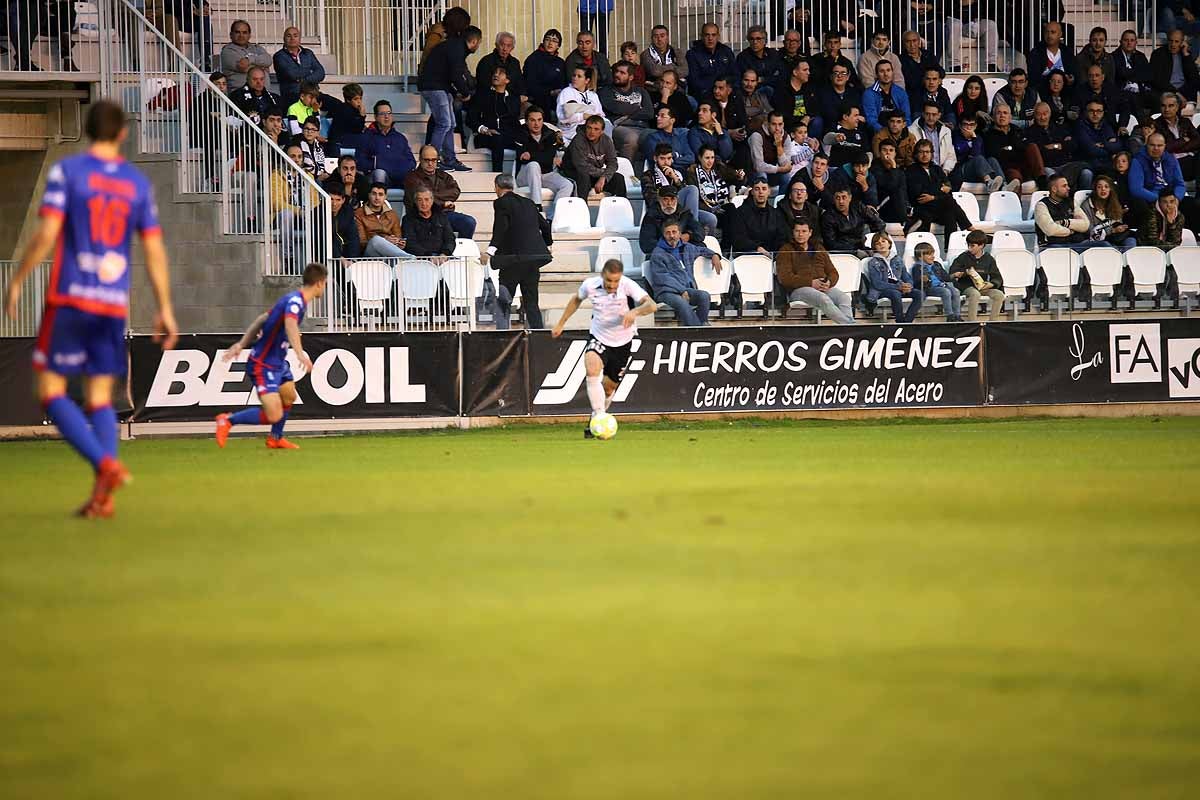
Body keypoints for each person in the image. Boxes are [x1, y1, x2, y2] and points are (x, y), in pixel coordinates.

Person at [2, 100, 177, 517]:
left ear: (86, 130)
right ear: (122, 134)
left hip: (69, 299)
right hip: (111, 306)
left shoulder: (69, 172)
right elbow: (153, 249)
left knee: (51, 391)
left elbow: (46, 233)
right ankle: (104, 497)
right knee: (100, 398)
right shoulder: (136, 184)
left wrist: (17, 280)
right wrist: (164, 307)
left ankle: (105, 465)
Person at [215, 262, 326, 452]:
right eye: (325, 283)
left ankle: (276, 438)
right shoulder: (296, 302)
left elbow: (262, 319)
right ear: (319, 283)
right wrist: (300, 354)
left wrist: (241, 344)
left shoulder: (294, 300)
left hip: (278, 362)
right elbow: (291, 324)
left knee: (289, 396)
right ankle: (227, 420)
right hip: (263, 364)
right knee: (273, 414)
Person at [552, 259, 658, 437]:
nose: (612, 285)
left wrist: (635, 312)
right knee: (592, 368)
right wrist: (561, 323)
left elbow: (652, 305)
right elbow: (576, 300)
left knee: (609, 388)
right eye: (609, 281)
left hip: (623, 342)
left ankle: (595, 418)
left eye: (616, 281)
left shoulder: (628, 286)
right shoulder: (590, 285)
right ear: (603, 276)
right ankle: (600, 416)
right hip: (599, 336)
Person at [482, 174, 554, 329]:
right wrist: (547, 243)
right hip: (533, 259)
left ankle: (503, 337)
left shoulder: (501, 203)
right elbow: (545, 226)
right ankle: (538, 337)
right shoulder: (529, 203)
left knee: (504, 301)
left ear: (497, 187)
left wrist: (490, 251)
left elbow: (501, 227)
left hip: (512, 260)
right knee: (532, 304)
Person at [419, 25, 483, 172]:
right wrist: (465, 93)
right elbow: (456, 75)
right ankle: (433, 160)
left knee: (451, 123)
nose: (478, 46)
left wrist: (456, 92)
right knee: (444, 123)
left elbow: (449, 73)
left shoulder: (454, 46)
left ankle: (450, 159)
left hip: (439, 86)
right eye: (479, 42)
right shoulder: (457, 50)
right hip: (434, 87)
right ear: (474, 41)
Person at [646, 218, 722, 326]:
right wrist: (681, 290)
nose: (671, 236)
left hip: (687, 289)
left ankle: (702, 325)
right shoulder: (658, 253)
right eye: (668, 233)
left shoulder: (687, 248)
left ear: (680, 233)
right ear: (663, 235)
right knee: (683, 304)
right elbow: (662, 278)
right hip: (666, 291)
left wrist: (714, 255)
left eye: (674, 232)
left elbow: (702, 250)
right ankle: (696, 331)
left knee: (704, 296)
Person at [776, 221, 855, 323]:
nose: (800, 234)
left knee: (844, 298)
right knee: (823, 298)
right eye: (797, 231)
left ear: (810, 232)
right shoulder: (786, 250)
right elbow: (785, 278)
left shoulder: (819, 248)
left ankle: (848, 326)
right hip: (798, 290)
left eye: (804, 231)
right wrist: (810, 282)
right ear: (793, 232)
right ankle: (850, 327)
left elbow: (833, 272)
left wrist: (829, 282)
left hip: (822, 287)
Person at [907, 140, 974, 247]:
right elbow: (919, 193)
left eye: (928, 152)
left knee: (950, 212)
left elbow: (949, 190)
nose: (925, 155)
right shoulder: (911, 171)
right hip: (923, 208)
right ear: (916, 154)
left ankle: (950, 248)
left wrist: (933, 197)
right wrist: (940, 189)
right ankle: (970, 229)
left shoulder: (937, 169)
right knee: (949, 203)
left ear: (932, 154)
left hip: (938, 206)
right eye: (921, 152)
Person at [404, 145, 477, 240]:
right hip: (421, 217)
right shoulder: (412, 178)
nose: (430, 163)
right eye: (427, 160)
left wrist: (433, 196)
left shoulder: (444, 175)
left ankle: (460, 252)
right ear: (420, 159)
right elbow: (421, 199)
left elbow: (455, 191)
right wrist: (443, 203)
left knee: (468, 222)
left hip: (444, 215)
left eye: (433, 160)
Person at [515, 107, 574, 217]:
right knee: (533, 165)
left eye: (539, 120)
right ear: (527, 121)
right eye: (532, 120)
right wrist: (545, 158)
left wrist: (532, 155)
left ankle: (553, 217)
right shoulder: (520, 133)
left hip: (546, 173)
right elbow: (522, 157)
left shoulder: (550, 134)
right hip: (525, 175)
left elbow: (549, 156)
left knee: (567, 185)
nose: (536, 124)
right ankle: (537, 206)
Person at [1129, 132, 1196, 231]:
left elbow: (1180, 184)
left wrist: (1176, 200)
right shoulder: (1138, 160)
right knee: (1140, 205)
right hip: (1150, 197)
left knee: (1193, 204)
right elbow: (1136, 189)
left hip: (1170, 196)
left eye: (1159, 145)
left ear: (1164, 146)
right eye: (1152, 145)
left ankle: (1192, 237)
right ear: (1147, 145)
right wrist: (1160, 200)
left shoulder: (1171, 159)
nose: (1156, 148)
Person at [642, 143, 716, 232]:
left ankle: (702, 238)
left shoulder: (677, 173)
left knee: (711, 219)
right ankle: (693, 228)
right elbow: (651, 199)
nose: (666, 162)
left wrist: (676, 180)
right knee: (692, 189)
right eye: (662, 158)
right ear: (655, 158)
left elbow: (687, 197)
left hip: (680, 209)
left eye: (669, 158)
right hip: (663, 208)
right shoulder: (648, 176)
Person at [600, 60, 655, 171]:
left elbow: (649, 113)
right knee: (632, 138)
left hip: (642, 127)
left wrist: (628, 113)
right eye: (616, 72)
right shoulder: (606, 91)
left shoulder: (641, 91)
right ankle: (625, 174)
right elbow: (614, 108)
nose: (617, 75)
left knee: (656, 136)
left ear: (630, 77)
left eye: (622, 73)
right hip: (619, 127)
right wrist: (637, 109)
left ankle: (652, 175)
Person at [468, 65, 523, 172]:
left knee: (523, 140)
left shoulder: (513, 99)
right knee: (497, 138)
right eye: (495, 73)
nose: (496, 75)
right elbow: (471, 118)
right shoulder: (482, 95)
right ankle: (498, 175)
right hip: (486, 135)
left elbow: (515, 121)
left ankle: (518, 177)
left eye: (500, 73)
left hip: (507, 135)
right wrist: (484, 129)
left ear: (507, 80)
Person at [1026, 101, 1092, 189]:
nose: (1042, 117)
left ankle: (1082, 200)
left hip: (1067, 166)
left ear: (1050, 114)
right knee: (1050, 175)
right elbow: (1041, 153)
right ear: (1034, 115)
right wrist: (1060, 146)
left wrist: (1053, 147)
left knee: (1087, 173)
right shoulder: (1029, 132)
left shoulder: (1060, 128)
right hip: (1048, 167)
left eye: (1045, 114)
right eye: (1039, 114)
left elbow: (1073, 145)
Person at [865, 232, 924, 322]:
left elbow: (906, 276)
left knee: (920, 294)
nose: (881, 244)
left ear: (889, 243)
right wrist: (898, 287)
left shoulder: (898, 259)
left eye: (883, 241)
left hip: (899, 287)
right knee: (895, 294)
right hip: (883, 290)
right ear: (874, 247)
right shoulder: (873, 262)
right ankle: (899, 321)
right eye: (877, 243)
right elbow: (877, 284)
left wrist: (909, 285)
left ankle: (907, 322)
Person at [356, 100, 417, 188]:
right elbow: (361, 162)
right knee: (379, 173)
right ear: (376, 117)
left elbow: (411, 162)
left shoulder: (400, 138)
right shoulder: (367, 136)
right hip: (379, 180)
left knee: (415, 177)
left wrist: (394, 168)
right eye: (382, 114)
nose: (386, 116)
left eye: (389, 113)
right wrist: (381, 164)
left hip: (400, 178)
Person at [562, 115, 626, 198]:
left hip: (594, 173)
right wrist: (602, 173)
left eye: (596, 129)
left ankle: (620, 207)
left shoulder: (606, 141)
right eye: (589, 128)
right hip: (574, 173)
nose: (592, 132)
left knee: (618, 178)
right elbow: (581, 166)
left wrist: (604, 177)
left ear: (602, 131)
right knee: (584, 176)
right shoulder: (578, 140)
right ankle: (582, 207)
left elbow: (613, 163)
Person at [985, 104, 1044, 192]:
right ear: (993, 117)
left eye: (1005, 113)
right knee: (1015, 178)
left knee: (1032, 146)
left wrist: (1009, 149)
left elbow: (1025, 147)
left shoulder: (1017, 130)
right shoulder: (988, 135)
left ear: (1010, 117)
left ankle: (1042, 180)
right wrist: (1014, 149)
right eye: (999, 113)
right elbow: (995, 155)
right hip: (1007, 169)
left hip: (1023, 165)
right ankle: (1016, 205)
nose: (1002, 116)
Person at [726, 175, 791, 254]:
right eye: (757, 189)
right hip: (748, 256)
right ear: (752, 192)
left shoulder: (776, 213)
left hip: (772, 256)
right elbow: (738, 239)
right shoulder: (740, 212)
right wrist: (757, 248)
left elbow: (782, 237)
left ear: (769, 192)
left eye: (764, 189)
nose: (761, 192)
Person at [948, 230, 1004, 321]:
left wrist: (991, 284)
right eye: (968, 245)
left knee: (999, 295)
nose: (970, 248)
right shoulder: (963, 257)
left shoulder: (989, 259)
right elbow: (952, 272)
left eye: (972, 246)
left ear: (981, 245)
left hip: (982, 287)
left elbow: (997, 277)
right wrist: (962, 273)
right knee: (975, 294)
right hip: (966, 287)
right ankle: (972, 322)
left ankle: (993, 322)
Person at [686, 145, 744, 233]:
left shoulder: (718, 168)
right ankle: (727, 244)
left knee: (731, 209)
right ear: (700, 158)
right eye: (707, 158)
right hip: (706, 209)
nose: (710, 161)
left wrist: (740, 176)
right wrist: (712, 209)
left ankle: (728, 244)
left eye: (712, 157)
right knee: (728, 215)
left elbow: (735, 179)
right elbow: (694, 199)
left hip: (721, 207)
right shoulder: (693, 173)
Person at [639, 185, 707, 255]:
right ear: (659, 200)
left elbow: (700, 233)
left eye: (672, 199)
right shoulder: (651, 216)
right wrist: (670, 243)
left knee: (701, 246)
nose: (669, 203)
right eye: (665, 199)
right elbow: (646, 245)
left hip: (681, 250)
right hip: (662, 254)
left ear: (677, 199)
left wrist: (689, 235)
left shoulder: (684, 213)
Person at [821, 186, 885, 255]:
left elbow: (879, 224)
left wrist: (873, 242)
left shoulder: (859, 207)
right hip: (842, 252)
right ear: (834, 199)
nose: (841, 201)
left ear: (850, 198)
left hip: (863, 246)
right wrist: (854, 251)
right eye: (837, 198)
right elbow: (831, 244)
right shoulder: (828, 216)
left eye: (844, 197)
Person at [1035, 174, 1092, 250]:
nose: (1068, 188)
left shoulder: (1071, 202)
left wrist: (1064, 223)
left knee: (1104, 245)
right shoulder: (1041, 205)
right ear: (1054, 189)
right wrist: (1070, 231)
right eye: (1064, 186)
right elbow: (1050, 230)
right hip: (1054, 245)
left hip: (1078, 244)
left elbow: (1085, 224)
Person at [950, 115, 1005, 191]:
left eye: (971, 125)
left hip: (976, 171)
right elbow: (971, 155)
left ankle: (1004, 186)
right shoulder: (955, 137)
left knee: (992, 160)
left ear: (975, 126)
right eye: (965, 124)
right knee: (978, 158)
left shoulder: (979, 138)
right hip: (961, 170)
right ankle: (989, 182)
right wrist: (974, 139)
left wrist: (974, 139)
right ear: (960, 126)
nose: (968, 128)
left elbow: (980, 156)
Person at [1154, 92, 1200, 181]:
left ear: (1177, 107)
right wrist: (1183, 140)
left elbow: (1197, 141)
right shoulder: (1156, 125)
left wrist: (1178, 148)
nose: (1166, 109)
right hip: (1171, 163)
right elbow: (1164, 148)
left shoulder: (1185, 122)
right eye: (1163, 106)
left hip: (1190, 160)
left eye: (1171, 106)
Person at [273, 26, 325, 105]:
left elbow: (321, 73)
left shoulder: (308, 53)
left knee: (335, 104)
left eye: (295, 36)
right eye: (289, 36)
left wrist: (303, 80)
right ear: (284, 39)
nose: (292, 38)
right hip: (292, 94)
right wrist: (310, 72)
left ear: (300, 38)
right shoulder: (279, 56)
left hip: (313, 93)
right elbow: (292, 74)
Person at [525, 29, 569, 122]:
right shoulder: (533, 59)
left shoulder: (560, 62)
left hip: (557, 98)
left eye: (554, 41)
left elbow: (564, 82)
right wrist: (550, 92)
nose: (550, 43)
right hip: (539, 98)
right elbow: (530, 85)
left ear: (558, 45)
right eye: (548, 39)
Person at [1080, 175, 1135, 250]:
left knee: (1131, 241)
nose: (1103, 189)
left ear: (1110, 190)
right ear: (1095, 190)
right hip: (1094, 240)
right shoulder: (1086, 206)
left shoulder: (1114, 203)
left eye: (1106, 187)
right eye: (1099, 187)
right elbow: (1090, 231)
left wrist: (1120, 228)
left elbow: (1118, 221)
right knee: (1107, 245)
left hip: (1113, 238)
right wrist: (1112, 230)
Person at [401, 187, 457, 261]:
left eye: (426, 199)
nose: (423, 203)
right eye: (420, 200)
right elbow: (410, 243)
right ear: (415, 202)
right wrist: (428, 256)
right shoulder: (408, 219)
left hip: (443, 257)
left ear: (432, 201)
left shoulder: (441, 217)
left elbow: (450, 239)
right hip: (420, 259)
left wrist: (445, 254)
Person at [946, 0, 1001, 73]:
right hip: (956, 24)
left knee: (991, 24)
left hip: (973, 25)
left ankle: (991, 64)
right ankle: (954, 65)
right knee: (955, 25)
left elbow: (987, 13)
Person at [687, 23, 738, 101]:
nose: (710, 38)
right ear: (702, 36)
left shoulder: (726, 51)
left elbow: (735, 75)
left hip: (726, 93)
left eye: (713, 35)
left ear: (718, 36)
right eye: (707, 35)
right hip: (703, 94)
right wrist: (716, 87)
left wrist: (724, 89)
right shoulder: (693, 54)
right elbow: (694, 81)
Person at [913, 241, 962, 321]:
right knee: (946, 292)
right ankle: (950, 316)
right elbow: (916, 283)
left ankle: (957, 315)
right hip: (929, 288)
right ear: (920, 257)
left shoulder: (937, 265)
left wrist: (954, 275)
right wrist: (923, 280)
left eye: (933, 254)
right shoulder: (917, 267)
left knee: (956, 291)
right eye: (929, 254)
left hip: (942, 285)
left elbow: (946, 277)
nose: (933, 257)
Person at [355, 183, 408, 257]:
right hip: (368, 253)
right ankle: (409, 258)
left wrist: (399, 243)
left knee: (392, 257)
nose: (377, 198)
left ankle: (407, 259)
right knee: (376, 240)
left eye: (380, 194)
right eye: (374, 194)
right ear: (369, 195)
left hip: (388, 254)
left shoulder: (392, 214)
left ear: (385, 197)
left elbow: (398, 237)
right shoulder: (359, 214)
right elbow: (361, 242)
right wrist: (384, 240)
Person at [1076, 100, 1127, 176]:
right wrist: (1109, 148)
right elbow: (1091, 150)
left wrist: (1103, 144)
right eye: (1091, 111)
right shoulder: (1080, 126)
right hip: (1088, 164)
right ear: (1086, 112)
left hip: (1107, 164)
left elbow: (1118, 146)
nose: (1095, 114)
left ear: (1103, 113)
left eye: (1099, 111)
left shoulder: (1106, 125)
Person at [1026, 21, 1079, 95]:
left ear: (1060, 34)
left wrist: (1071, 79)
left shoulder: (1067, 52)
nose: (1049, 35)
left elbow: (1074, 73)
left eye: (1053, 32)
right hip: (1042, 94)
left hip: (1065, 94)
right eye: (1047, 32)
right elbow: (1033, 79)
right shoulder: (1036, 53)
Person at [557, 66, 607, 143]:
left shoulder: (593, 95)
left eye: (579, 76)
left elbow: (600, 115)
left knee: (607, 124)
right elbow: (563, 118)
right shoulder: (566, 92)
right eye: (574, 75)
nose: (575, 78)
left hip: (590, 131)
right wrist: (583, 116)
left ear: (587, 80)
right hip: (570, 134)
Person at [220, 19, 272, 92]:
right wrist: (262, 67)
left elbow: (269, 60)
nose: (241, 35)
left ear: (249, 35)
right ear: (231, 35)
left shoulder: (257, 48)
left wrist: (249, 60)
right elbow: (242, 68)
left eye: (244, 32)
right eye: (237, 32)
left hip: (263, 94)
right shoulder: (227, 51)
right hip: (240, 96)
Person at [1151, 30, 1200, 103]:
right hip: (1166, 90)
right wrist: (1176, 93)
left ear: (1182, 42)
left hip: (1183, 90)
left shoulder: (1185, 53)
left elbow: (1194, 77)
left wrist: (1186, 55)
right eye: (1171, 41)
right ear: (1167, 41)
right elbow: (1158, 80)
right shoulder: (1158, 54)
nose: (1173, 44)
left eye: (1176, 41)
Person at [909, 100, 956, 175]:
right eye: (927, 114)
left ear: (939, 115)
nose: (930, 117)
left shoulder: (946, 131)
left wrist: (945, 171)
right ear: (923, 114)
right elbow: (911, 156)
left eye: (934, 114)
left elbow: (951, 156)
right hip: (920, 172)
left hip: (942, 172)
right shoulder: (912, 130)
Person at [475, 31, 526, 102]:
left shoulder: (515, 63)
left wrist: (521, 96)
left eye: (508, 46)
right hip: (491, 99)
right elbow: (484, 85)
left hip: (513, 98)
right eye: (502, 45)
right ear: (496, 45)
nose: (505, 49)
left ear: (512, 48)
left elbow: (520, 83)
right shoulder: (486, 61)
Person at [773, 59, 818, 137]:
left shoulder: (808, 89)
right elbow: (781, 113)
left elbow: (814, 108)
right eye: (805, 70)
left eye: (808, 70)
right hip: (788, 126)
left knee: (818, 121)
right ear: (795, 72)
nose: (808, 73)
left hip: (806, 125)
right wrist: (799, 124)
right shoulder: (782, 90)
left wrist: (807, 116)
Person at [863, 60, 911, 132]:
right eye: (882, 71)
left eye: (888, 70)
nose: (886, 74)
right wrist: (885, 132)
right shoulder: (869, 93)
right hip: (879, 132)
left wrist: (901, 131)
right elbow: (871, 120)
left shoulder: (901, 92)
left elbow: (907, 117)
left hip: (898, 131)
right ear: (876, 74)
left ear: (892, 72)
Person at [1114, 29, 1153, 116]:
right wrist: (1137, 73)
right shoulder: (1114, 56)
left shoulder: (1141, 56)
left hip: (1140, 90)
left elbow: (1148, 75)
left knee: (1158, 98)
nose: (1129, 43)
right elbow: (1121, 74)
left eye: (1132, 40)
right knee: (1133, 99)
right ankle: (1141, 124)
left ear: (1136, 42)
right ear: (1120, 42)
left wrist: (1129, 73)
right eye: (1126, 40)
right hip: (1122, 91)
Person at [642, 105, 695, 170]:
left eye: (662, 116)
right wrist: (680, 159)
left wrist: (673, 160)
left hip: (681, 174)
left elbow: (691, 158)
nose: (658, 118)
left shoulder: (680, 135)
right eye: (657, 116)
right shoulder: (652, 138)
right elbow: (659, 162)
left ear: (672, 120)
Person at [817, 63, 864, 136]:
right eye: (836, 73)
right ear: (831, 76)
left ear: (848, 77)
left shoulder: (854, 93)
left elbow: (860, 114)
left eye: (843, 73)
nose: (839, 76)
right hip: (830, 132)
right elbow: (827, 116)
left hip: (853, 131)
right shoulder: (823, 94)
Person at [871, 140, 911, 224]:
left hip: (896, 207)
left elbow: (904, 192)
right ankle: (906, 223)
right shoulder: (874, 169)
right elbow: (890, 187)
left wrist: (907, 206)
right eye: (884, 150)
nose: (887, 153)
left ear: (895, 153)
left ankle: (907, 216)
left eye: (891, 150)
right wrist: (893, 166)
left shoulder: (899, 171)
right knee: (897, 192)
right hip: (880, 207)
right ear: (879, 152)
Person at [320, 83, 366, 154]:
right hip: (339, 146)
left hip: (342, 144)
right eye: (356, 99)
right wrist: (362, 116)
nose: (359, 101)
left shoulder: (346, 108)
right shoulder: (345, 110)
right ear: (348, 100)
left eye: (360, 98)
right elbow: (357, 129)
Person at [736, 25, 783, 90]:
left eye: (758, 39)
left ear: (765, 41)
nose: (755, 42)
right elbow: (742, 79)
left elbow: (781, 77)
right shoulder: (743, 57)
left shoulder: (774, 54)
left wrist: (762, 79)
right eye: (752, 39)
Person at [642, 25, 689, 90]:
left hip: (677, 90)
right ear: (652, 38)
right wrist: (673, 66)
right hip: (655, 90)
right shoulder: (646, 54)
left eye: (662, 36)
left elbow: (685, 71)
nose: (659, 39)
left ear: (667, 37)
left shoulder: (677, 52)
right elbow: (655, 71)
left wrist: (661, 71)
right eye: (656, 36)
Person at [324, 181, 361, 260]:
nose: (334, 204)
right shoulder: (317, 212)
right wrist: (339, 258)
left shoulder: (348, 211)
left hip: (346, 253)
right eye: (331, 199)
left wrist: (353, 259)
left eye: (338, 200)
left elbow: (353, 237)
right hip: (325, 255)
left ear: (343, 200)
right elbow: (323, 239)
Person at [823, 105, 868, 169]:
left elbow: (866, 152)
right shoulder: (834, 129)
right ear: (845, 117)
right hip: (836, 170)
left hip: (855, 170)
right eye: (856, 115)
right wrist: (836, 137)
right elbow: (826, 139)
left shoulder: (861, 133)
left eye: (859, 115)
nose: (859, 118)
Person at [900, 30, 941, 95]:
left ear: (919, 41)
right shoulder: (901, 59)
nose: (912, 44)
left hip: (932, 90)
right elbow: (911, 82)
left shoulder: (928, 55)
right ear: (904, 43)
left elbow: (941, 72)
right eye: (908, 41)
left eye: (914, 41)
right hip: (914, 94)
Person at [740, 69, 775, 134]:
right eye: (746, 80)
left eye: (752, 81)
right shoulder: (736, 96)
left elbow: (770, 112)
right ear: (741, 81)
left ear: (756, 82)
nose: (749, 84)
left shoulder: (760, 95)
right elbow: (744, 112)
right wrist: (761, 110)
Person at [297, 116, 329, 181]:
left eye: (313, 129)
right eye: (307, 129)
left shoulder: (320, 146)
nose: (309, 132)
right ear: (302, 130)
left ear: (318, 132)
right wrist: (317, 178)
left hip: (319, 177)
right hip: (305, 178)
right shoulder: (297, 144)